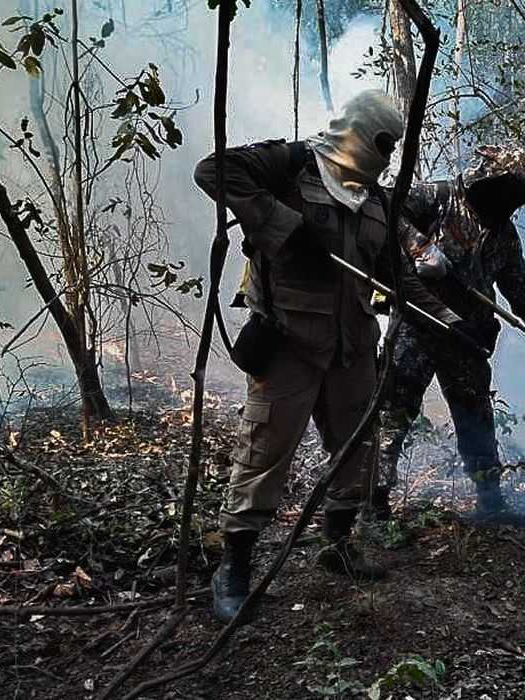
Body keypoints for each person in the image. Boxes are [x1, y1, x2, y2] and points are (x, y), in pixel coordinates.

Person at [193, 90, 469, 623]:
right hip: (289, 342)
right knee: (265, 451)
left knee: (357, 449)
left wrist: (447, 320)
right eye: (381, 143)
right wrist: (284, 227)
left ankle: (337, 543)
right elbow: (214, 170)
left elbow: (398, 275)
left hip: (353, 346)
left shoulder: (376, 202)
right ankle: (235, 566)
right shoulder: (292, 165)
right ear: (359, 131)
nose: (386, 156)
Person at [369, 144, 525, 524]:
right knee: (394, 410)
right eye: (514, 190)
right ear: (492, 179)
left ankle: (490, 500)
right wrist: (419, 248)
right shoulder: (437, 197)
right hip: (418, 324)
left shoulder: (504, 235)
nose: (517, 202)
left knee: (476, 416)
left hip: (468, 335)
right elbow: (386, 207)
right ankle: (374, 499)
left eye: (522, 195)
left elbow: (522, 289)